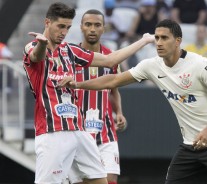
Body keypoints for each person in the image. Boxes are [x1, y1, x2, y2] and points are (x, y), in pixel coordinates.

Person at [58, 19, 207, 184]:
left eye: (164, 38)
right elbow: (113, 80)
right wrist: (78, 84)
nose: (158, 42)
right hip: (190, 144)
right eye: (157, 38)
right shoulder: (151, 65)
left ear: (178, 41)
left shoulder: (199, 64)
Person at [22, 2, 154, 184]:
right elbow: (37, 56)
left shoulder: (70, 51)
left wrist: (144, 41)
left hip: (79, 131)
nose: (64, 32)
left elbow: (110, 60)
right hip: (53, 132)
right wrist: (43, 44)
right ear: (47, 22)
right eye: (60, 26)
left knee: (101, 180)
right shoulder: (33, 46)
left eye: (67, 28)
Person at [68, 9, 127, 184]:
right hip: (77, 131)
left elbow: (114, 88)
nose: (92, 29)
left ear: (103, 28)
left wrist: (120, 113)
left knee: (109, 179)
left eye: (97, 25)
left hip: (105, 130)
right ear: (81, 27)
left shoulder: (112, 57)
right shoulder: (70, 56)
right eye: (88, 24)